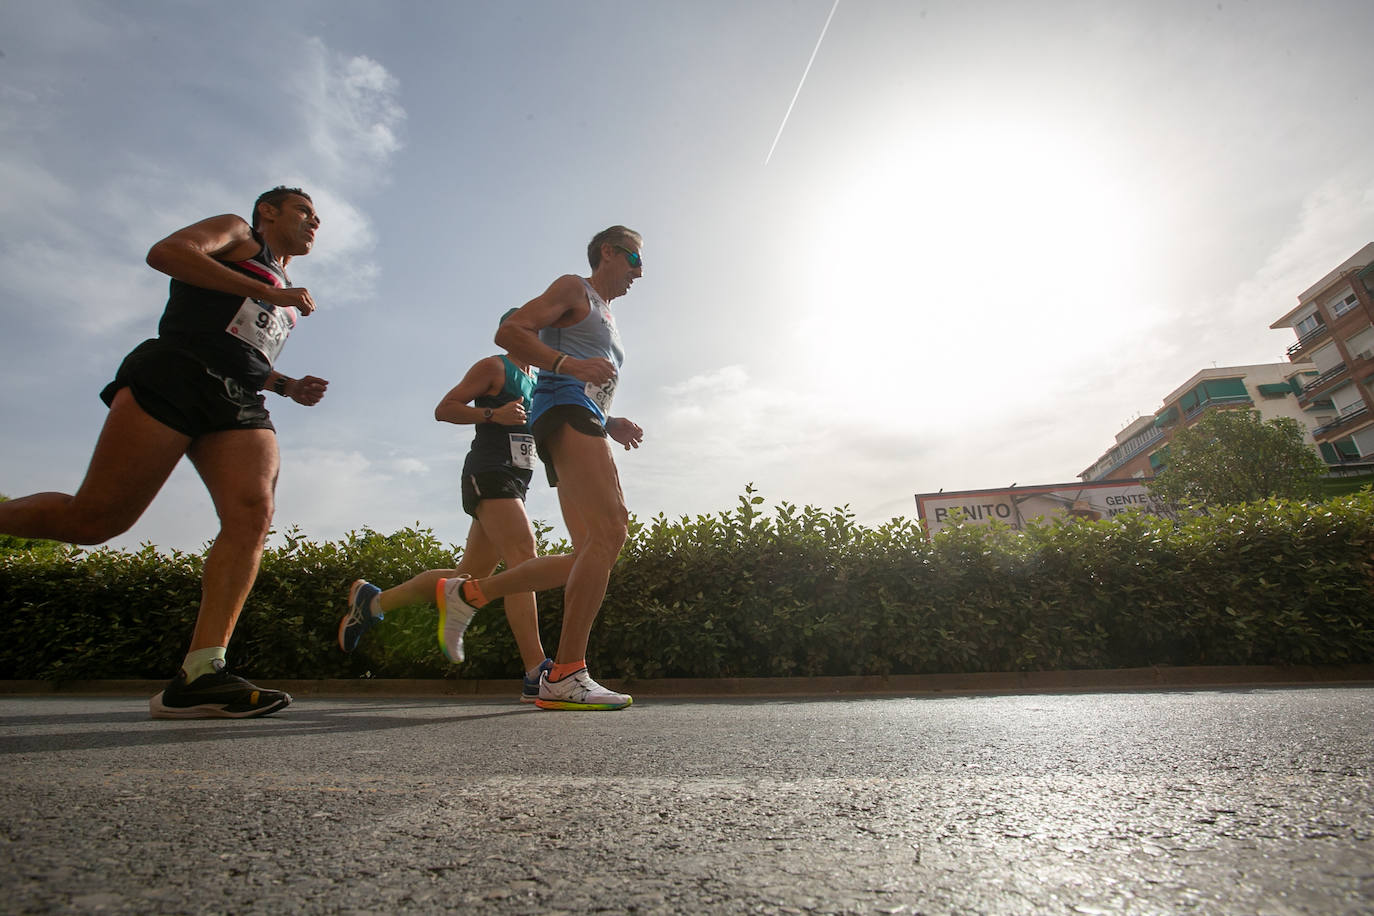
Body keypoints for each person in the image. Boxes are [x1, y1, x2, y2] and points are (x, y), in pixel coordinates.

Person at [0, 186, 327, 719]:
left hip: (237, 396)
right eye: (304, 212)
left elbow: (238, 343)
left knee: (253, 512)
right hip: (177, 372)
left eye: (318, 218)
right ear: (268, 211)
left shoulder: (286, 284)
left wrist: (286, 384)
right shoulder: (238, 234)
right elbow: (168, 253)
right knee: (93, 521)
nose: (314, 223)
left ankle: (200, 674)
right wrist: (268, 291)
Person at [438, 226, 645, 711]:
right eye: (635, 258)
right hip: (564, 413)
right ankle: (566, 672)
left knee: (588, 554)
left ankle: (471, 593)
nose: (641, 270)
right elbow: (510, 332)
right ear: (609, 253)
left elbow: (586, 375)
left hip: (579, 415)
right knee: (612, 530)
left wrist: (609, 419)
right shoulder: (575, 287)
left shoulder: (605, 313)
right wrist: (567, 365)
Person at [337, 310, 555, 701]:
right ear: (516, 334)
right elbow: (446, 407)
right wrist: (492, 413)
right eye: (535, 330)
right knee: (523, 558)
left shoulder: (538, 381)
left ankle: (374, 601)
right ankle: (536, 672)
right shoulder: (494, 367)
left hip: (516, 482)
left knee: (467, 576)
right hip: (489, 474)